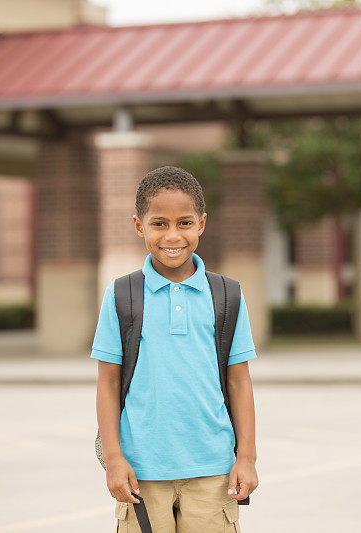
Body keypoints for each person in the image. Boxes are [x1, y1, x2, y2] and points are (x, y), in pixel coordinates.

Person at [91, 166, 258, 532]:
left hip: (213, 472)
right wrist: (115, 458)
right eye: (159, 224)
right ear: (139, 226)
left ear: (201, 223)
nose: (173, 235)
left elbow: (239, 382)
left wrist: (246, 457)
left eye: (184, 223)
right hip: (142, 475)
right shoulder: (121, 295)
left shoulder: (227, 295)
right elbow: (107, 383)